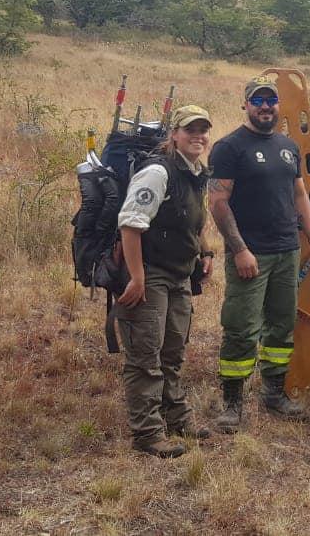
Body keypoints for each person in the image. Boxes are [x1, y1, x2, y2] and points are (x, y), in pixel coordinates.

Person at [206, 76, 310, 434]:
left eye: (270, 100)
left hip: (287, 250)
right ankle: (232, 402)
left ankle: (273, 392)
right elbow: (218, 202)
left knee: (281, 324)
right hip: (250, 255)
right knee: (241, 328)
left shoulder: (287, 146)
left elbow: (299, 193)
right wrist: (239, 249)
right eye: (257, 100)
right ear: (245, 105)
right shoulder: (229, 147)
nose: (265, 107)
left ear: (277, 105)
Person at [114, 105, 215, 457]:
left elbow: (192, 220)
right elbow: (130, 224)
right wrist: (137, 278)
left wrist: (206, 251)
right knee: (146, 354)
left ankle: (177, 418)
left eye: (203, 130)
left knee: (173, 351)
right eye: (190, 130)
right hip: (150, 272)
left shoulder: (195, 172)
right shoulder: (158, 173)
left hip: (179, 273)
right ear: (174, 134)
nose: (198, 136)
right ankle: (147, 433)